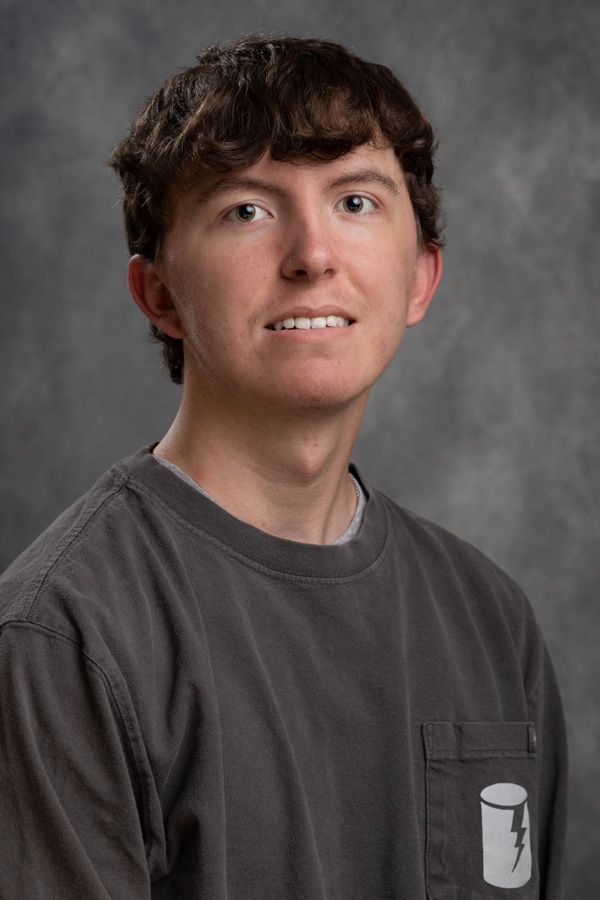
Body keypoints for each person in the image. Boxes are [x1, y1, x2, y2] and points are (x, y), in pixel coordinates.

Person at [0, 34, 567, 899]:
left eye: (356, 201)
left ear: (421, 279)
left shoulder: (490, 620)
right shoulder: (65, 638)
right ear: (160, 295)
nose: (312, 255)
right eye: (247, 210)